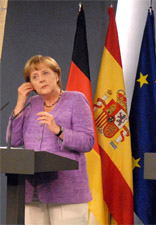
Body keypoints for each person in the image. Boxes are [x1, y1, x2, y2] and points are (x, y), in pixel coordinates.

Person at [6, 55, 94, 225]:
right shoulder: (31, 103)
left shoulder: (76, 99)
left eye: (45, 73)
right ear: (30, 84)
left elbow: (87, 141)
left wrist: (59, 131)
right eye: (35, 77)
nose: (41, 79)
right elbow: (14, 141)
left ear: (57, 76)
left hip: (66, 191)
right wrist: (19, 104)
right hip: (33, 192)